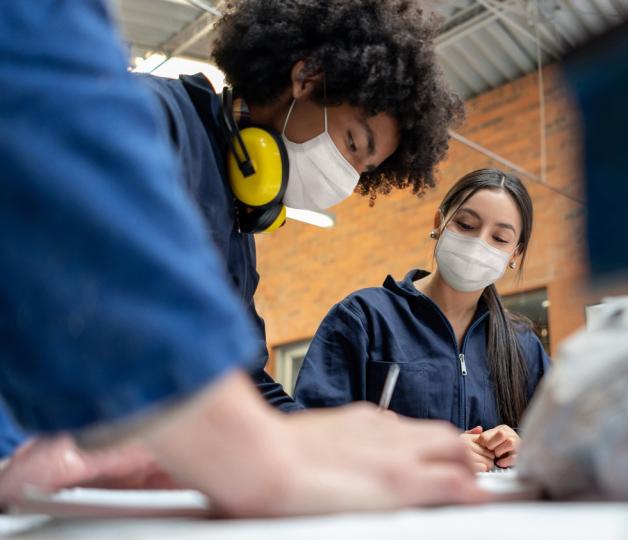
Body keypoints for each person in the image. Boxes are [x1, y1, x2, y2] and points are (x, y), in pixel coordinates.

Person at [0, 0, 483, 515]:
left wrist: (312, 435)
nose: (345, 178)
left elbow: (241, 375)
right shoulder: (155, 119)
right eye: (351, 142)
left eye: (362, 170)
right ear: (307, 77)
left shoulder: (239, 224)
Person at [294, 169, 551, 472]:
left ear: (515, 254)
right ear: (439, 224)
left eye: (499, 238)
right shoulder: (364, 318)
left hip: (491, 516)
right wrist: (424, 451)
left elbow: (568, 441)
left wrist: (526, 447)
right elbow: (311, 435)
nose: (479, 243)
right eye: (466, 225)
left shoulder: (524, 347)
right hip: (389, 515)